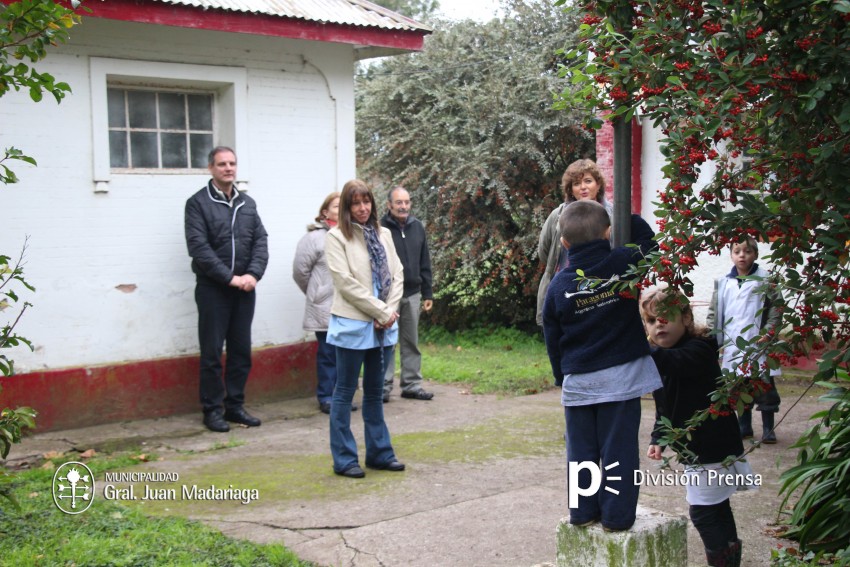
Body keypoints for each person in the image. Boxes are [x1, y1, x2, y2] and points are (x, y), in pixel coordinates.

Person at [542, 200, 662, 531]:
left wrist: (560, 376)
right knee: (618, 452)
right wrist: (627, 216)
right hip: (621, 382)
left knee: (581, 453)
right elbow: (650, 245)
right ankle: (616, 518)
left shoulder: (558, 286)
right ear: (609, 232)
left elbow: (552, 336)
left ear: (564, 243)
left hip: (579, 384)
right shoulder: (623, 262)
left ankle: (582, 512)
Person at [642, 285, 755, 567]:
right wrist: (659, 437)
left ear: (686, 319)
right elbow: (665, 406)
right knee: (717, 507)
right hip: (699, 449)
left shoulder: (699, 349)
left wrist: (638, 347)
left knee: (703, 513)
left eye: (666, 317)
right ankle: (729, 558)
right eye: (651, 321)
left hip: (711, 445)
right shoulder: (662, 358)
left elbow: (677, 363)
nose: (659, 325)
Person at [325, 179, 405, 478]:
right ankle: (344, 459)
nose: (362, 208)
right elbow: (345, 283)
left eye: (366, 201)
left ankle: (380, 454)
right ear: (346, 207)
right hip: (353, 324)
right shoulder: (336, 237)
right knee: (345, 392)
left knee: (374, 392)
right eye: (355, 203)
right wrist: (381, 311)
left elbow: (397, 274)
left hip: (383, 325)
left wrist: (388, 312)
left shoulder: (383, 234)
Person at [184, 146, 268, 433]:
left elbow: (260, 242)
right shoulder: (197, 204)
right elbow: (199, 249)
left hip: (245, 289)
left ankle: (235, 406)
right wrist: (230, 278)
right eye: (222, 164)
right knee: (211, 353)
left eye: (232, 163)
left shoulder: (248, 204)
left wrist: (253, 274)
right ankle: (212, 410)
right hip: (213, 290)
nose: (228, 168)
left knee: (241, 351)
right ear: (211, 168)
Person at [706, 236, 782, 444]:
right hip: (732, 344)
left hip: (759, 343)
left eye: (747, 251)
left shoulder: (766, 279)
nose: (742, 256)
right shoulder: (724, 283)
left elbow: (776, 308)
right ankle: (744, 426)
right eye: (737, 251)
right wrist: (713, 337)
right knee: (738, 387)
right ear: (731, 255)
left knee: (764, 386)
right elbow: (714, 312)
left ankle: (768, 428)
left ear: (755, 254)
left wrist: (769, 332)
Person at [293, 192, 356, 415]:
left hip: (350, 306)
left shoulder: (353, 235)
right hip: (325, 307)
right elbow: (300, 273)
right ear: (324, 212)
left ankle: (343, 396)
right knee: (329, 354)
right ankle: (327, 397)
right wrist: (317, 293)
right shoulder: (313, 239)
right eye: (336, 206)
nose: (341, 210)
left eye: (344, 206)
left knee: (347, 354)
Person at [536, 158, 613, 327]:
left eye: (588, 181)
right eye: (577, 183)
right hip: (564, 290)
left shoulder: (613, 215)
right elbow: (544, 252)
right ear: (570, 189)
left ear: (598, 184)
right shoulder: (557, 216)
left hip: (602, 291)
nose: (583, 187)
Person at [380, 186, 434, 402]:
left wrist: (428, 293)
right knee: (387, 342)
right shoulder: (380, 228)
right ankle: (383, 387)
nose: (403, 206)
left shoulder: (417, 227)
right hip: (387, 296)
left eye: (407, 202)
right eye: (399, 202)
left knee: (411, 341)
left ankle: (411, 385)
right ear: (389, 205)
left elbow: (424, 261)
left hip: (412, 294)